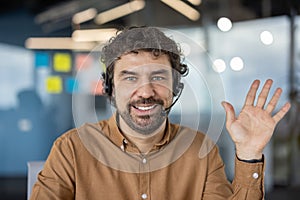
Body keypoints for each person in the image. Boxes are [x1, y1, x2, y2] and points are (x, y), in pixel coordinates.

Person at [30, 26, 291, 200]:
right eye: (130, 78)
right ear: (110, 88)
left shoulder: (202, 150)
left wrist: (248, 154)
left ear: (175, 87)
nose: (145, 92)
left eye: (158, 77)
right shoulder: (71, 149)